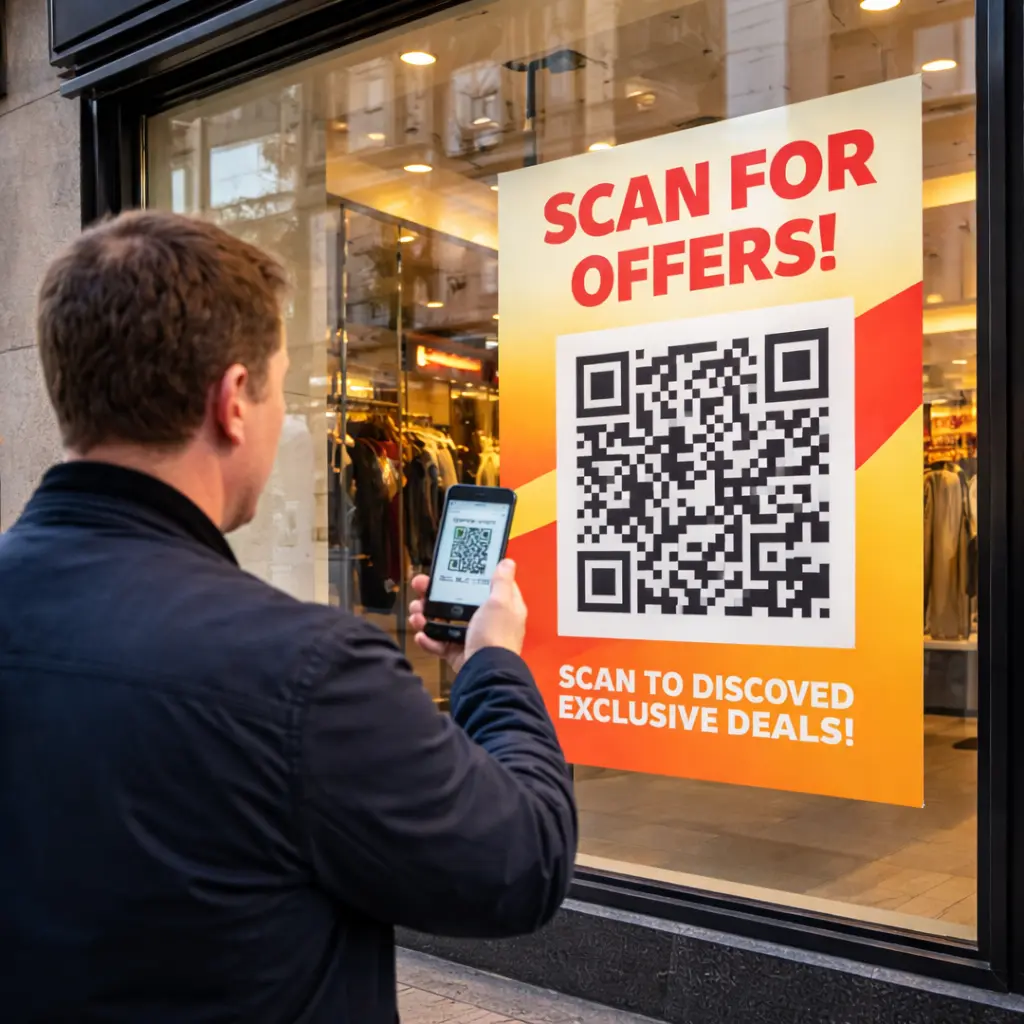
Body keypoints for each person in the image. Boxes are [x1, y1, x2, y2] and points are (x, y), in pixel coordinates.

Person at [0, 212, 577, 1023]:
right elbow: (523, 863)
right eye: (277, 388)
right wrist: (494, 665)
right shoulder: (303, 670)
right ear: (234, 401)